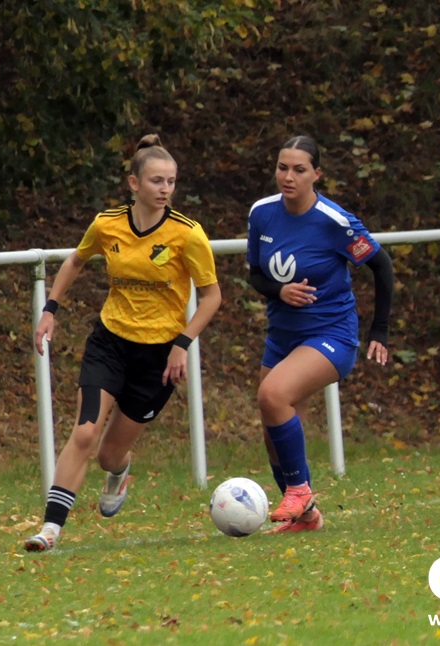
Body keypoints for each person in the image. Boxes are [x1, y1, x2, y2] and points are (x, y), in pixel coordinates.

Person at [24, 134, 222, 552]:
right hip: (110, 344)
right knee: (84, 433)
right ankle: (50, 529)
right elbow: (76, 260)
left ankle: (119, 472)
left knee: (108, 455)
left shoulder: (188, 234)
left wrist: (182, 343)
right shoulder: (107, 224)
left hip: (158, 358)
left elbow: (212, 297)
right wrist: (50, 310)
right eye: (156, 181)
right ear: (134, 183)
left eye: (171, 181)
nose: (165, 189)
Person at [246, 135, 394, 534]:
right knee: (272, 429)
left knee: (272, 395)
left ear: (317, 174)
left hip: (332, 335)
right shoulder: (262, 213)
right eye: (282, 167)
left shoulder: (334, 221)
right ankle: (306, 517)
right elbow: (256, 274)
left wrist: (380, 330)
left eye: (299, 170)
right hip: (282, 336)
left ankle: (298, 491)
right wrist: (279, 291)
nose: (288, 177)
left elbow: (382, 266)